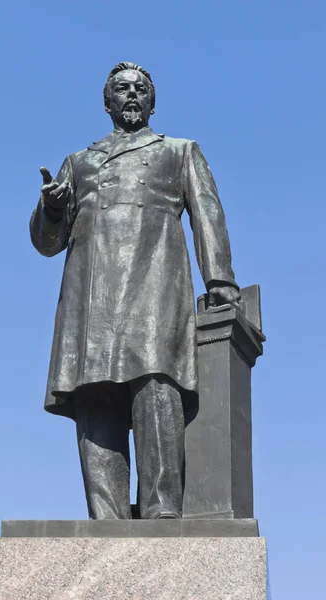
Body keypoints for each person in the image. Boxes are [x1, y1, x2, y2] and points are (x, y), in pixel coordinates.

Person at [30, 62, 240, 520]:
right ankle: (106, 519)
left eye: (140, 89)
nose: (131, 95)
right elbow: (48, 245)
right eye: (121, 89)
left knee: (155, 385)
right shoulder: (79, 162)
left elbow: (208, 216)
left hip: (154, 285)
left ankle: (162, 512)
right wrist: (50, 208)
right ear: (106, 102)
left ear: (152, 101)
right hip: (89, 295)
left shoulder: (179, 151)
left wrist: (219, 280)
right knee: (95, 395)